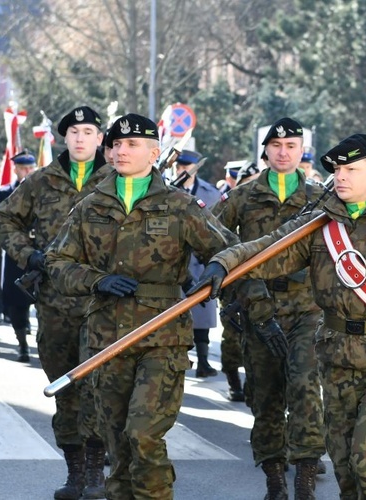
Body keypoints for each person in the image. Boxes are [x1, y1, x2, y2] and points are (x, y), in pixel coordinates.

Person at [192, 132, 366, 499]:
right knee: (345, 469)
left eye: (351, 169)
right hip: (335, 362)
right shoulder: (318, 226)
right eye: (337, 169)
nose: (341, 177)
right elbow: (266, 251)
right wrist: (223, 263)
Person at [45, 113, 239, 500]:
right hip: (106, 337)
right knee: (117, 442)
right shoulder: (91, 206)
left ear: (154, 153)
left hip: (161, 336)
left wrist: (219, 266)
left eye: (131, 144)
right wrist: (96, 280)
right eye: (115, 144)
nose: (120, 151)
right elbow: (57, 262)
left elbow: (229, 248)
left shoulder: (179, 205)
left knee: (143, 433)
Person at [0, 106, 112, 499]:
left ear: (100, 138)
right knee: (65, 389)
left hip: (103, 303)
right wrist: (29, 255)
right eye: (74, 131)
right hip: (56, 303)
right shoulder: (42, 181)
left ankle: (97, 472)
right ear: (64, 138)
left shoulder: (118, 180)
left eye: (89, 131)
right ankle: (75, 473)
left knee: (98, 387)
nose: (80, 138)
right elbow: (4, 220)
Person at [210, 117, 327, 499]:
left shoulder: (320, 198)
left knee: (306, 388)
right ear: (265, 151)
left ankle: (306, 477)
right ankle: (275, 481)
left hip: (307, 311)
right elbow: (218, 246)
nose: (283, 152)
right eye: (276, 146)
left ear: (301, 151)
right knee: (265, 396)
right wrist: (233, 300)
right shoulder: (241, 198)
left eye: (291, 146)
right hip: (258, 311)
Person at [216, 159, 263, 402]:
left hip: (262, 282)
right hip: (234, 281)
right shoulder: (235, 201)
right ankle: (234, 380)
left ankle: (253, 385)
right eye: (249, 181)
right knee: (233, 337)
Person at [173, 149, 223, 378]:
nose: (183, 170)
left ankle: (203, 361)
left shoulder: (209, 193)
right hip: (176, 262)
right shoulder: (168, 189)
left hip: (202, 263)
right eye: (180, 166)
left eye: (186, 166)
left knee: (202, 316)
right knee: (174, 316)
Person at [0, 150, 37, 362]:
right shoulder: (5, 193)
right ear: (16, 169)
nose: (27, 172)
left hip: (40, 253)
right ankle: (22, 345)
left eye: (30, 168)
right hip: (15, 254)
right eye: (23, 168)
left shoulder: (44, 192)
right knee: (15, 301)